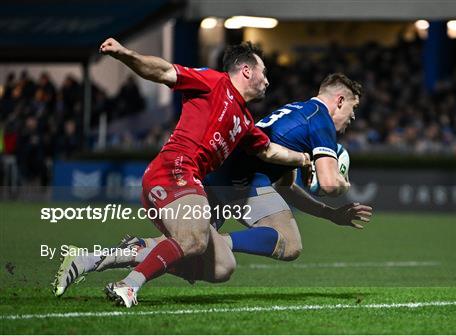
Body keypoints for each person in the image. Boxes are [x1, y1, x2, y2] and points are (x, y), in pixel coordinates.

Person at [53, 74, 372, 294]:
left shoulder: (298, 112)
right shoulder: (320, 119)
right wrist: (341, 182)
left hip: (233, 175)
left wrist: (330, 214)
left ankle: (92, 258)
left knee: (221, 257)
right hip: (233, 179)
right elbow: (329, 184)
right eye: (353, 109)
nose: (351, 119)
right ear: (340, 100)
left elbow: (286, 187)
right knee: (241, 253)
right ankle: (201, 246)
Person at [53, 38, 311, 308]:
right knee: (193, 240)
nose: (267, 80)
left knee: (222, 266)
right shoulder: (213, 81)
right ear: (246, 70)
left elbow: (269, 151)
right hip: (174, 169)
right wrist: (125, 54)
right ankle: (129, 285)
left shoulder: (245, 121)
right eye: (264, 72)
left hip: (187, 179)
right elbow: (164, 71)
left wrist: (303, 158)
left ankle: (89, 259)